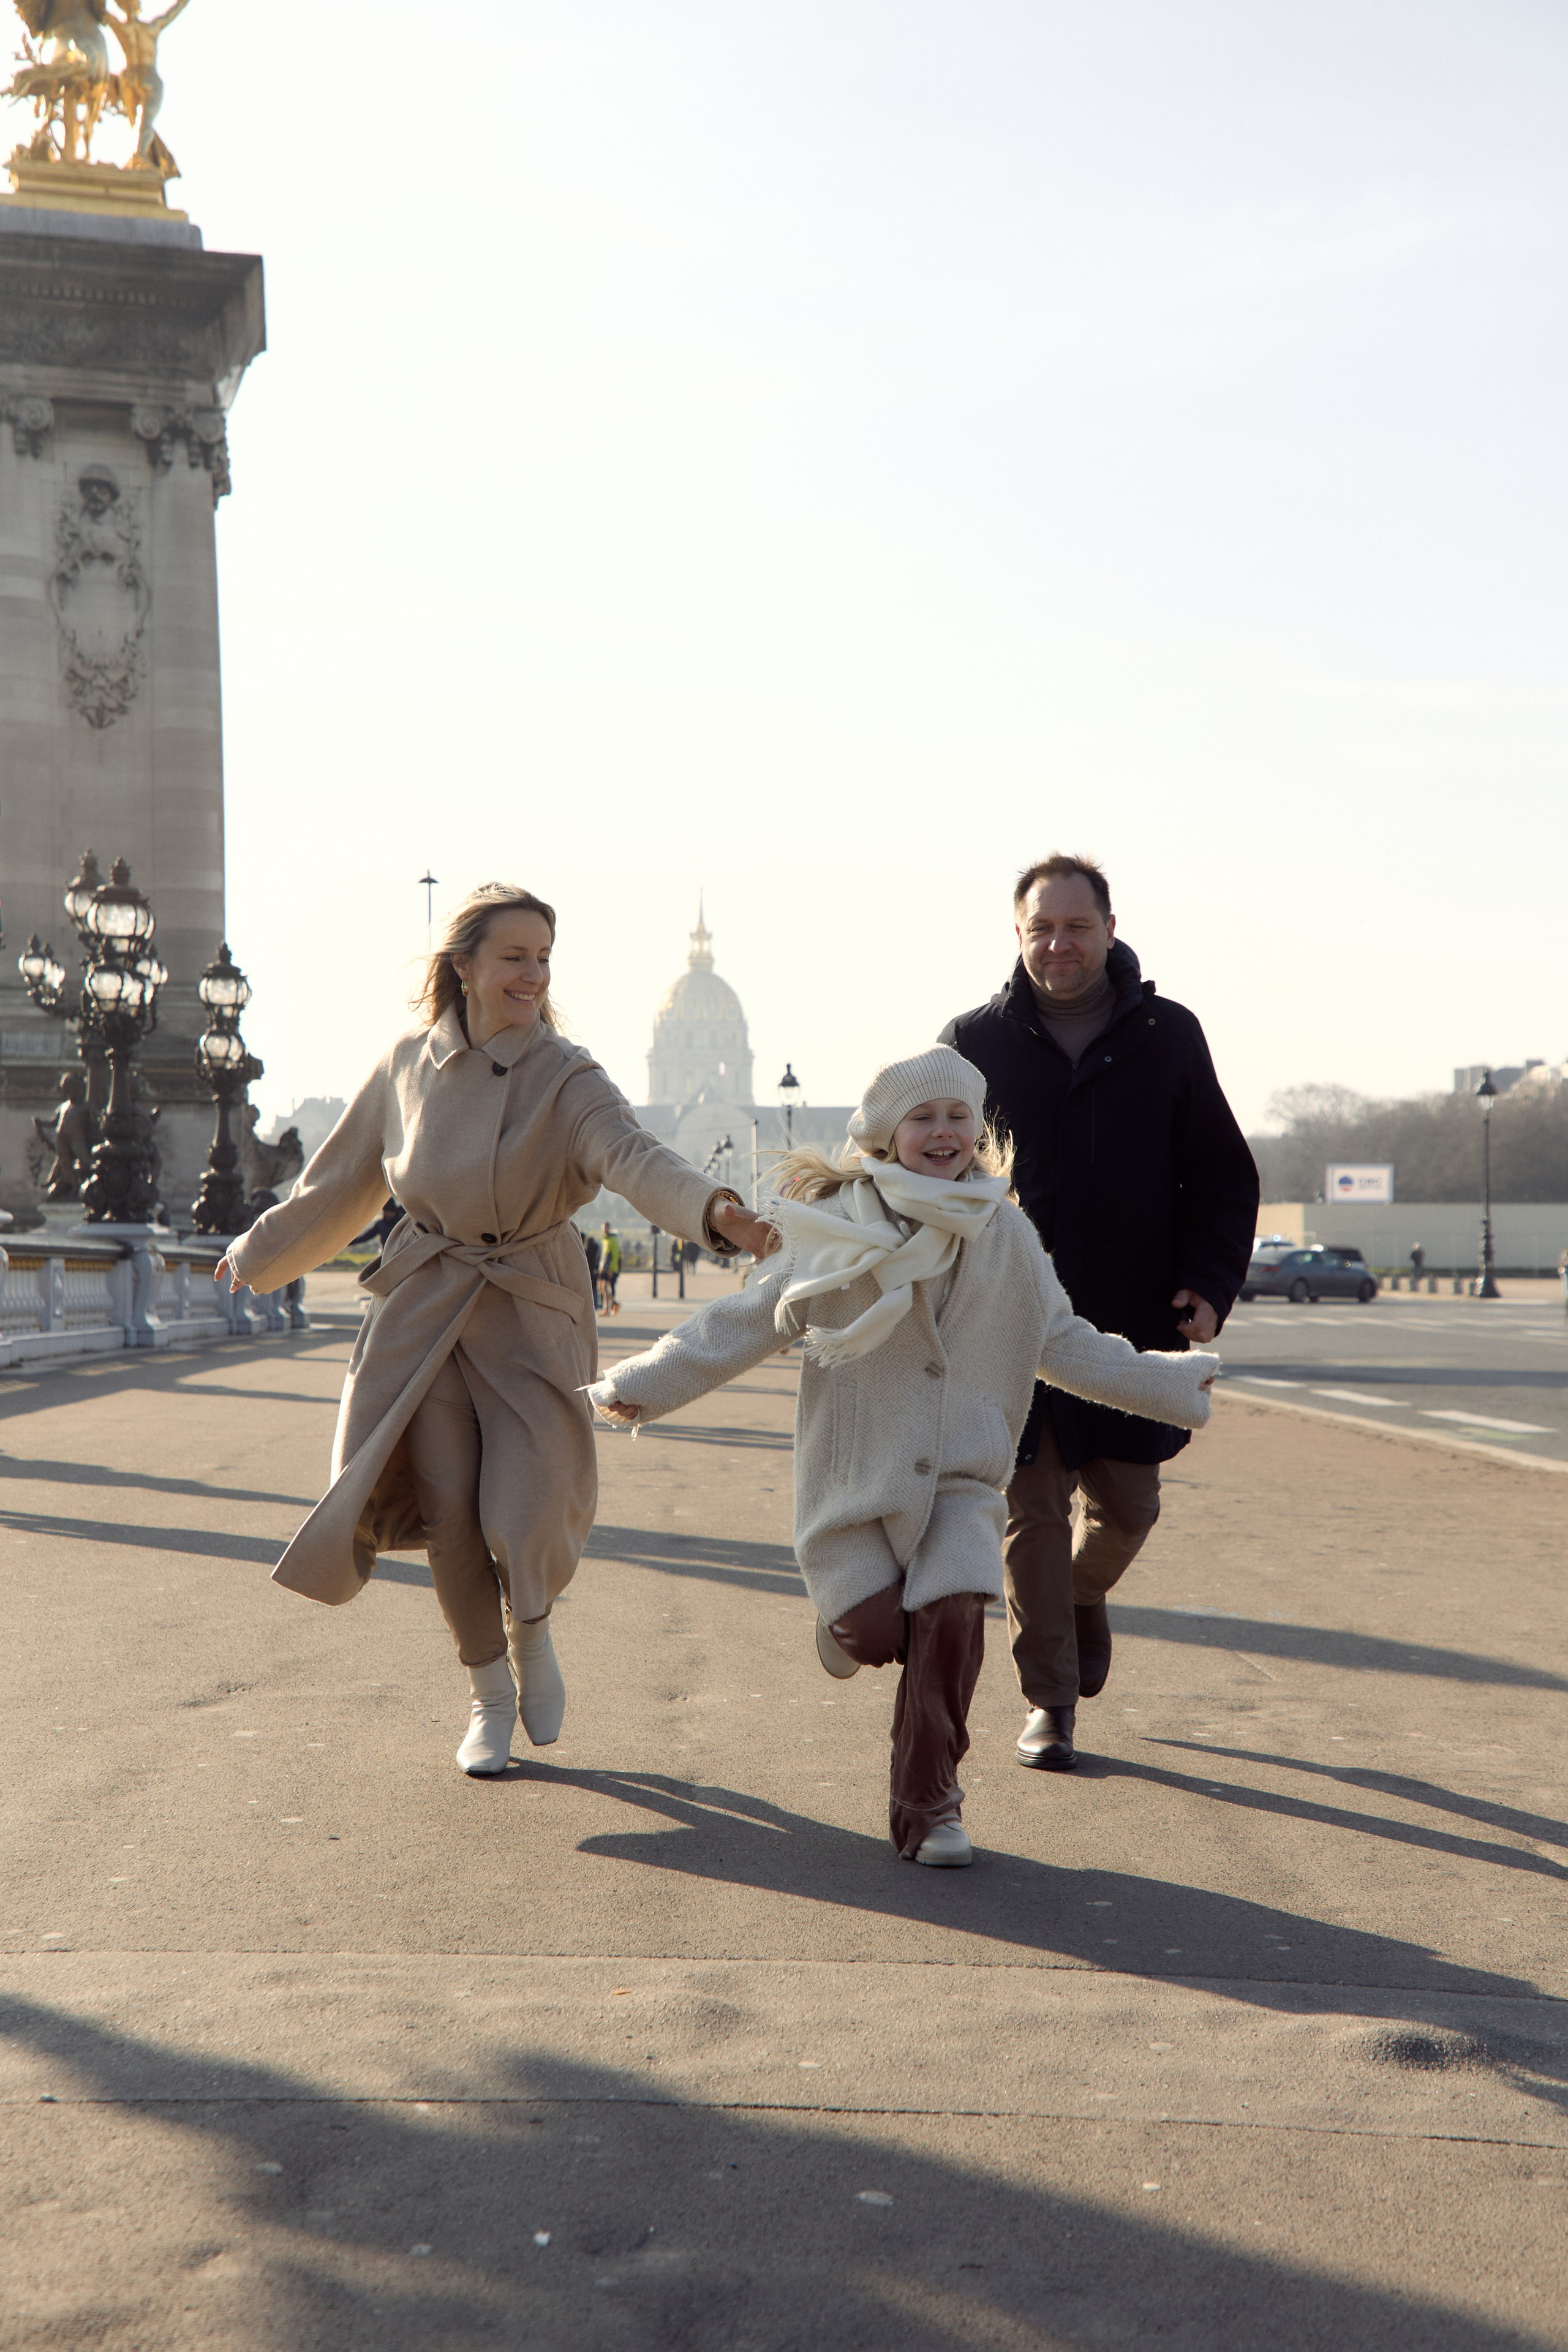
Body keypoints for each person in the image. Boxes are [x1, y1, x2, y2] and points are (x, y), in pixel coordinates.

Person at [590, 1048, 1218, 1868]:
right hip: (856, 1481)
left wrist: (1168, 1382)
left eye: (959, 1117)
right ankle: (847, 1631)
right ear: (886, 1136)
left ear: (979, 1132)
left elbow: (1059, 1341)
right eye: (922, 1118)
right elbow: (749, 1319)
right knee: (878, 1633)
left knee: (954, 1613)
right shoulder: (838, 1223)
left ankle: (931, 1806)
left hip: (960, 1477)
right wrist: (646, 1383)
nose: (943, 1132)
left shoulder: (1007, 1232)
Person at [217, 884, 774, 1778]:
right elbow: (342, 1183)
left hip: (528, 1304)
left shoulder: (570, 1074)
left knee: (527, 1504)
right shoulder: (407, 1062)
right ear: (464, 967)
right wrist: (258, 1248)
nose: (533, 973)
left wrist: (718, 1211)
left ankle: (535, 1631)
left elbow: (635, 1158)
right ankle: (487, 1693)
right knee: (446, 1512)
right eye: (515, 955)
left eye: (544, 956)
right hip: (428, 1302)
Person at [941, 856, 1257, 1771]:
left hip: (1130, 1322)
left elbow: (1223, 1174)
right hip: (1008, 1321)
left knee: (1129, 1508)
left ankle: (1083, 1598)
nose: (1059, 944)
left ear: (1110, 929)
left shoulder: (1169, 1035)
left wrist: (1209, 1283)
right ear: (1018, 935)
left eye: (1076, 927)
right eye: (1042, 928)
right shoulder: (972, 1042)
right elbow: (926, 1167)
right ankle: (1050, 1701)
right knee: (1029, 1511)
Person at [598, 1223, 622, 1314]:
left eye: (607, 1228)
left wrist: (611, 1269)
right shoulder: (605, 1240)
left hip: (609, 1268)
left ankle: (611, 1305)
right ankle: (609, 1306)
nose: (605, 1230)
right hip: (604, 1267)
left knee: (604, 1287)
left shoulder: (612, 1240)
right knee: (602, 1288)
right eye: (604, 1228)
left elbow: (614, 1255)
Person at [581, 1226, 602, 1298]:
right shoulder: (596, 1248)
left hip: (587, 1271)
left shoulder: (585, 1251)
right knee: (595, 1288)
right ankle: (597, 1303)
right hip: (594, 1270)